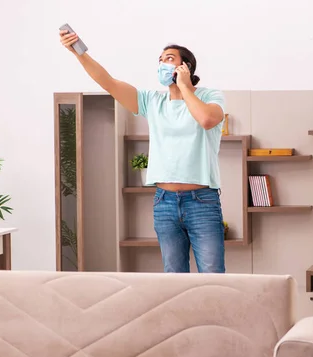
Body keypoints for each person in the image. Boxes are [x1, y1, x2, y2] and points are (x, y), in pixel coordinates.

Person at [59, 30, 226, 274]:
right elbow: (109, 82)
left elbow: (207, 120)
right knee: (173, 277)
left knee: (213, 275)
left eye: (168, 58)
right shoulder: (152, 101)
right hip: (164, 203)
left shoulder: (210, 96)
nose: (161, 64)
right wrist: (78, 52)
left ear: (185, 66)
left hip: (202, 202)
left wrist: (185, 87)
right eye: (159, 60)